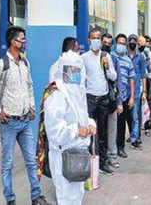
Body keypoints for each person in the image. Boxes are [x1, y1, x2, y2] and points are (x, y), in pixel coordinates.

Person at [0, 26, 50, 205]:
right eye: (21, 39)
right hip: (9, 122)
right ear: (12, 41)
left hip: (25, 120)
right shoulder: (1, 65)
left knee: (32, 161)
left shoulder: (25, 63)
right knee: (7, 164)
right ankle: (10, 199)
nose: (23, 42)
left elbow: (30, 86)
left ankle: (36, 196)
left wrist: (31, 106)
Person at [44, 51, 96, 205]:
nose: (75, 74)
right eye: (71, 70)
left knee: (77, 197)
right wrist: (76, 130)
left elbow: (83, 117)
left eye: (77, 70)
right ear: (63, 70)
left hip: (78, 153)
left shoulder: (77, 93)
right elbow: (54, 131)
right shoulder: (57, 95)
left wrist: (91, 124)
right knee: (66, 198)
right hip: (63, 156)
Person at [82, 29, 117, 175]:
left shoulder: (106, 56)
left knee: (102, 132)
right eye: (93, 38)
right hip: (90, 99)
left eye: (98, 38)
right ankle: (89, 163)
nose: (96, 41)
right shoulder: (83, 57)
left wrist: (107, 66)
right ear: (89, 40)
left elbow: (113, 77)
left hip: (103, 99)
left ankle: (103, 163)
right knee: (89, 132)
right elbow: (81, 80)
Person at [101, 33, 124, 169]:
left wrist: (120, 101)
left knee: (111, 129)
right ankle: (98, 158)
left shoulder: (114, 59)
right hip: (96, 101)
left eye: (109, 43)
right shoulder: (88, 58)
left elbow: (118, 80)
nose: (106, 45)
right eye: (104, 42)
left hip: (111, 99)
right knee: (99, 131)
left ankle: (112, 156)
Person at [112, 34, 135, 158]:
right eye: (119, 43)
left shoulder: (128, 60)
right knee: (111, 125)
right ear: (116, 44)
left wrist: (131, 97)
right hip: (112, 97)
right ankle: (111, 148)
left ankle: (120, 147)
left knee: (121, 124)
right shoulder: (111, 57)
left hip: (124, 96)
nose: (121, 45)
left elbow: (132, 79)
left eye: (123, 43)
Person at [127, 34, 147, 149]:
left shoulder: (140, 57)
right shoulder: (123, 56)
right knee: (127, 117)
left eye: (135, 42)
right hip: (125, 90)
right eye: (131, 41)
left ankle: (135, 138)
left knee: (135, 116)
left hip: (136, 91)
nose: (133, 43)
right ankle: (132, 134)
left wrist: (144, 91)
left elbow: (143, 75)